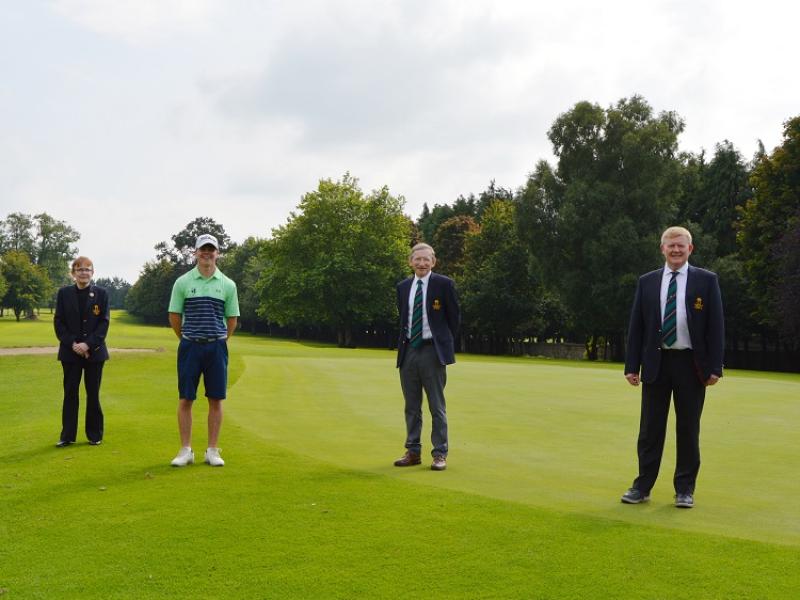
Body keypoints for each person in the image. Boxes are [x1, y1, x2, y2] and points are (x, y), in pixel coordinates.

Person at [621, 226, 724, 508]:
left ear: (690, 249)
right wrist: (632, 365)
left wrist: (715, 366)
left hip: (691, 365)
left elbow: (716, 326)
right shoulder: (647, 282)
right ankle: (642, 486)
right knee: (650, 429)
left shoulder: (706, 281)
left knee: (688, 428)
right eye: (671, 246)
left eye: (681, 246)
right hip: (656, 363)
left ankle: (684, 489)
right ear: (662, 248)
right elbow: (636, 327)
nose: (676, 250)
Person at [168, 234, 239, 467]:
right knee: (185, 398)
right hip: (190, 346)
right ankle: (185, 450)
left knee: (216, 400)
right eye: (202, 249)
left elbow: (231, 319)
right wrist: (188, 338)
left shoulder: (228, 284)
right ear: (195, 253)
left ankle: (212, 450)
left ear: (217, 253)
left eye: (211, 249)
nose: (207, 253)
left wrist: (218, 340)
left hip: (216, 347)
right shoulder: (183, 282)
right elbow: (174, 316)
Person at [393, 243, 460, 471]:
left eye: (426, 259)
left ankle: (439, 453)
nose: (422, 263)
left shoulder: (444, 284)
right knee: (411, 406)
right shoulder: (403, 287)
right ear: (410, 261)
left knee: (436, 406)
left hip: (433, 351)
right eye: (417, 259)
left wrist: (444, 345)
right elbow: (403, 318)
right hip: (409, 350)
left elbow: (454, 319)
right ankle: (413, 452)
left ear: (434, 261)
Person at [53, 256, 110, 447]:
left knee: (92, 393)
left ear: (92, 273)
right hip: (70, 353)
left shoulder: (102, 294)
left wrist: (87, 345)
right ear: (73, 274)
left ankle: (94, 435)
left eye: (87, 269)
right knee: (70, 393)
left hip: (95, 353)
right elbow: (59, 322)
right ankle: (67, 436)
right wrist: (75, 344)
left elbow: (104, 323)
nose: (83, 273)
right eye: (79, 270)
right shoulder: (64, 293)